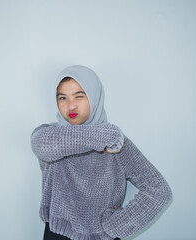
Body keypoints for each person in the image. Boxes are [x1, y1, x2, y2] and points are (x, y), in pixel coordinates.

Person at [30, 65, 173, 240]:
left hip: (102, 237)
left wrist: (117, 226)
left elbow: (159, 190)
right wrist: (104, 136)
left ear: (94, 96)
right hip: (58, 234)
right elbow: (42, 146)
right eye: (62, 98)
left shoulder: (117, 144)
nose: (70, 105)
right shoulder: (49, 135)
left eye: (79, 96)